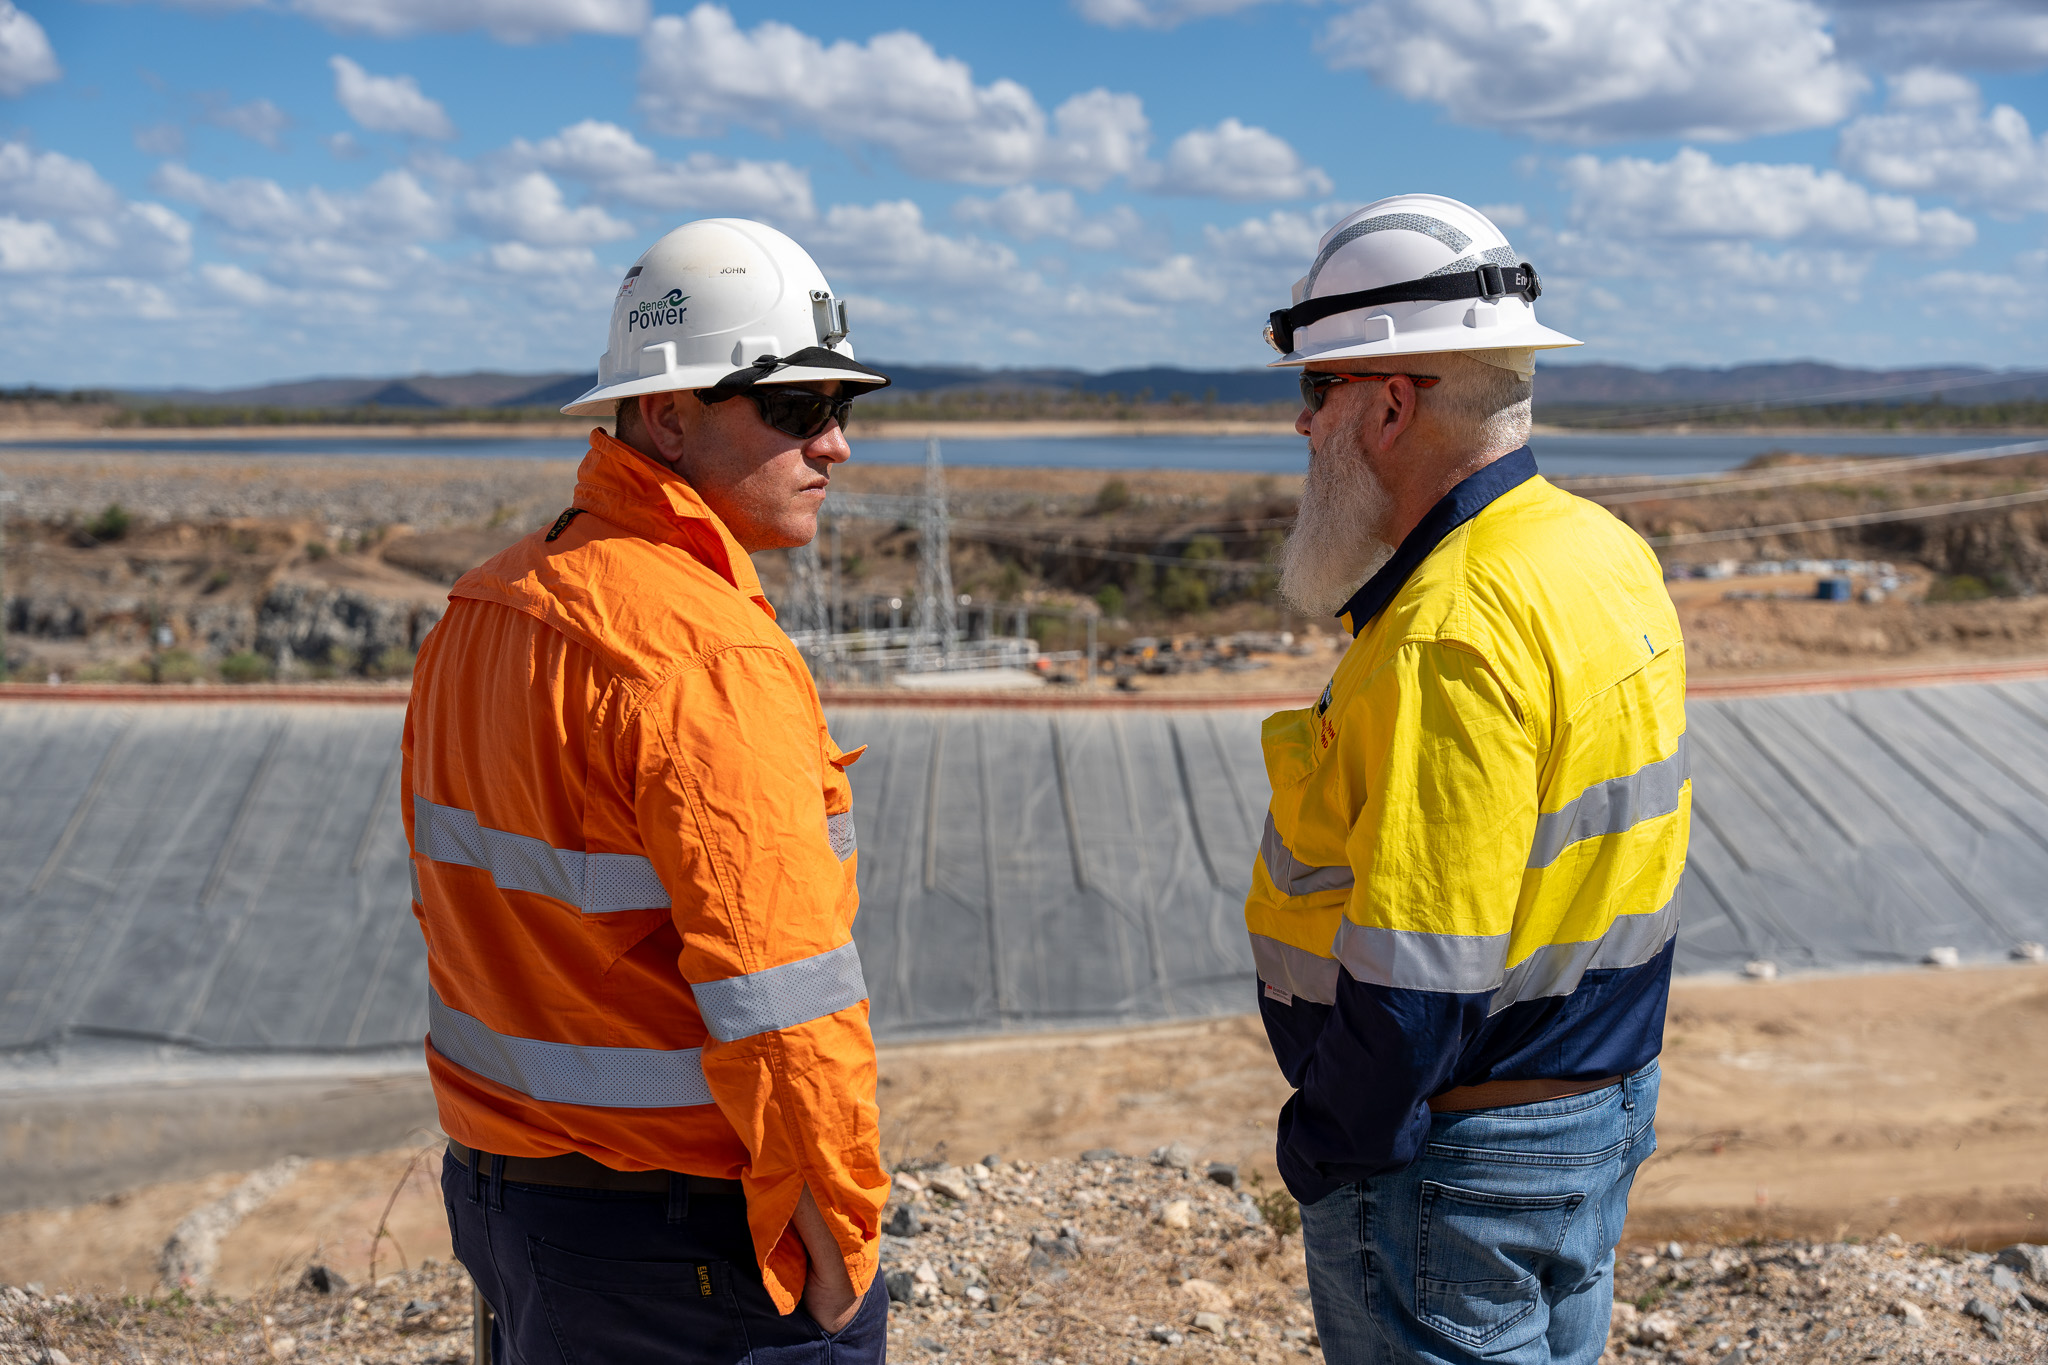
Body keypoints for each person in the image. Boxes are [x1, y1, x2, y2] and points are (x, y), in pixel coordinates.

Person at [401, 217, 893, 1364]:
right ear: (666, 415)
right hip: (687, 1249)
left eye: (843, 408)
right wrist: (835, 1268)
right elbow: (782, 1014)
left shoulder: (483, 607)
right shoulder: (705, 659)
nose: (835, 448)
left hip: (511, 1203)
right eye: (796, 409)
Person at [1245, 194, 1690, 1365]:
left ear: (1390, 403)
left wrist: (1326, 1145)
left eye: (1314, 389)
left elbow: (1418, 979)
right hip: (1594, 1104)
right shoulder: (1598, 552)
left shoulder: (1450, 625)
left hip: (1457, 1156)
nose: (1301, 428)